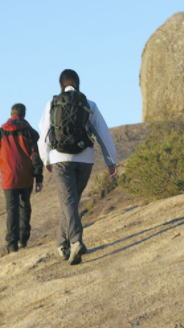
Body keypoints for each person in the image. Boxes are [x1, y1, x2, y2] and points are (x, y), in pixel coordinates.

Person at [38, 69, 118, 265]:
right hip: (85, 160)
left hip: (60, 159)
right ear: (78, 83)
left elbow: (44, 135)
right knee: (70, 202)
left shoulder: (52, 104)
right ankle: (61, 244)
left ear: (61, 85)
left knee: (68, 202)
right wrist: (111, 160)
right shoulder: (89, 104)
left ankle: (75, 242)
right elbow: (103, 134)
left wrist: (46, 159)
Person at [0, 103, 43, 253]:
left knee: (12, 209)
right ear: (24, 114)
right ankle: (24, 240)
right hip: (26, 176)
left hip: (8, 177)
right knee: (25, 206)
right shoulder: (31, 133)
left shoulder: (1, 132)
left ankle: (12, 245)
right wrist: (39, 178)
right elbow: (36, 156)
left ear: (11, 114)